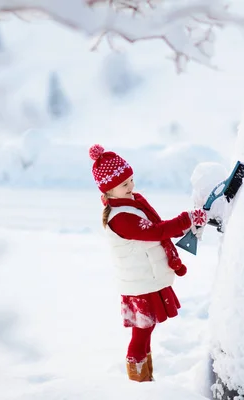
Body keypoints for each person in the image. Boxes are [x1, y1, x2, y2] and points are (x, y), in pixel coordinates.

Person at [89, 144, 207, 382]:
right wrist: (186, 219)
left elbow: (157, 226)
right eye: (124, 184)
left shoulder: (131, 202)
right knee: (141, 333)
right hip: (140, 284)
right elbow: (156, 232)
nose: (131, 186)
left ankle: (146, 378)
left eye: (131, 179)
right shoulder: (121, 218)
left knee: (146, 328)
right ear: (109, 191)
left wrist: (187, 222)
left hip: (145, 278)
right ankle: (139, 382)